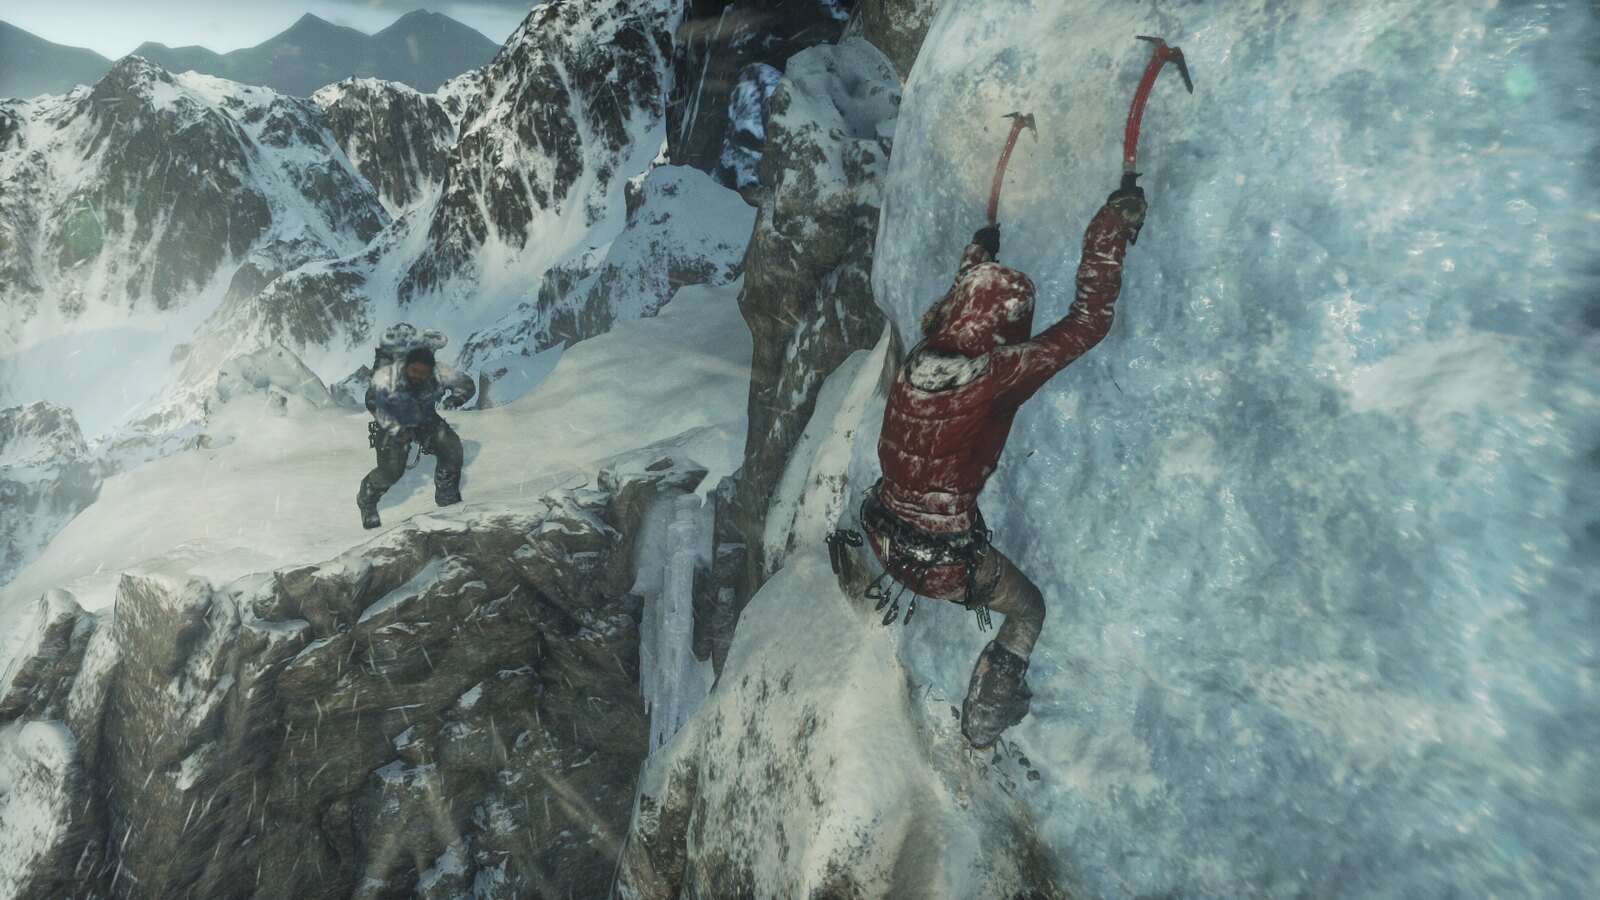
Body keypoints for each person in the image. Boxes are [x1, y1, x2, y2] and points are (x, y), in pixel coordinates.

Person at [859, 182, 1147, 750]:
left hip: (883, 535)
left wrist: (980, 252)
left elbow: (957, 302)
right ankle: (983, 724)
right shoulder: (995, 376)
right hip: (943, 562)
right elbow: (1087, 322)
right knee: (1028, 612)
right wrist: (1111, 226)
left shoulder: (923, 356)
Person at [357, 345, 475, 529]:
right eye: (414, 370)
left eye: (424, 372)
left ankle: (448, 500)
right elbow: (372, 400)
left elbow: (466, 384)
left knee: (450, 446)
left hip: (424, 418)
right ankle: (367, 499)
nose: (418, 376)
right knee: (391, 470)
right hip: (392, 422)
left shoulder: (439, 373)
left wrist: (454, 400)